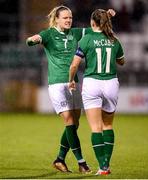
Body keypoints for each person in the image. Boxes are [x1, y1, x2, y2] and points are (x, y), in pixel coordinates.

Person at [26, 5, 115, 174]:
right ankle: (82, 163)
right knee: (69, 122)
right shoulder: (48, 34)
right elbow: (31, 40)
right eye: (65, 18)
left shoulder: (75, 33)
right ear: (57, 19)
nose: (68, 20)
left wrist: (107, 16)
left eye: (70, 18)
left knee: (75, 123)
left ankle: (60, 159)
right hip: (57, 84)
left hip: (73, 82)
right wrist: (33, 40)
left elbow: (94, 29)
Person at [69, 9, 125, 175]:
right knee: (108, 125)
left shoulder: (86, 39)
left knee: (96, 128)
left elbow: (74, 65)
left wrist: (71, 80)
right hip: (111, 83)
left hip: (92, 83)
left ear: (92, 22)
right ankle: (106, 164)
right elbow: (122, 61)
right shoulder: (114, 40)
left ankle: (103, 167)